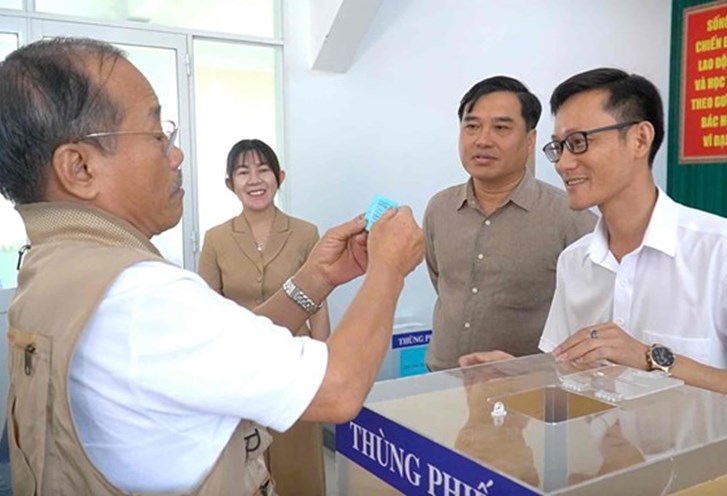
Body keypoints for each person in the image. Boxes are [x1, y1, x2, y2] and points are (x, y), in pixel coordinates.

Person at [0, 37, 424, 495]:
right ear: (79, 168)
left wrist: (316, 279)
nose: (176, 154)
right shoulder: (142, 296)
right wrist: (388, 267)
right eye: (157, 134)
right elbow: (339, 388)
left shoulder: (54, 267)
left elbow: (217, 346)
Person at [459, 68, 727, 418]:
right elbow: (568, 373)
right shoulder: (575, 261)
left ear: (640, 139)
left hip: (711, 472)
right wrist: (520, 374)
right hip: (597, 469)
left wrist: (652, 360)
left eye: (579, 142)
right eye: (558, 147)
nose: (563, 163)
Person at [424, 75, 596, 371]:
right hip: (441, 379)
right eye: (472, 126)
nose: (482, 140)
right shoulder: (440, 208)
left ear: (530, 140)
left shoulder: (570, 217)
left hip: (526, 391)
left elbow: (590, 319)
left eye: (501, 128)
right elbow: (442, 283)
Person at [198, 138, 329, 495]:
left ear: (279, 176)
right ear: (230, 183)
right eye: (243, 172)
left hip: (294, 362)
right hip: (239, 368)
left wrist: (322, 361)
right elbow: (208, 310)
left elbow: (319, 301)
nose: (254, 180)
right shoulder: (215, 239)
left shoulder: (305, 233)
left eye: (263, 170)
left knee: (298, 459)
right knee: (243, 464)